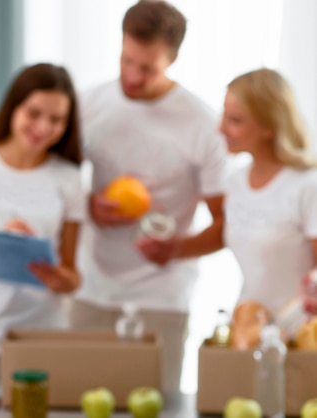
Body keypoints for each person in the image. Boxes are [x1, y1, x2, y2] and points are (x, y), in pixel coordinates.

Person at [72, 0, 229, 398]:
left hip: (163, 296)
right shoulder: (87, 105)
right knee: (78, 401)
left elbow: (225, 223)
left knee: (155, 405)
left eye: (148, 68)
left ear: (173, 60)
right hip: (92, 287)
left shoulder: (202, 123)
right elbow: (56, 183)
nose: (134, 77)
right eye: (127, 61)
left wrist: (176, 249)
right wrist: (89, 205)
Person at [0, 63, 85, 402]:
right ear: (14, 107)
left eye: (56, 119)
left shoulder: (69, 179)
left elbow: (73, 274)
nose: (43, 128)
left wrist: (62, 279)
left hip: (40, 334)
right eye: (34, 113)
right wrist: (2, 236)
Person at [220, 68, 317, 324]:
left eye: (235, 120)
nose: (221, 128)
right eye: (224, 116)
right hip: (247, 330)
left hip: (301, 339)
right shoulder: (236, 182)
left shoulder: (307, 186)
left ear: (268, 127)